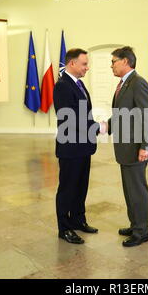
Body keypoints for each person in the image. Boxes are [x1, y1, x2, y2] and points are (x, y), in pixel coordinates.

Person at [103, 46, 148, 247]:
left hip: (136, 148)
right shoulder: (124, 84)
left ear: (125, 61)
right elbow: (121, 115)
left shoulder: (138, 83)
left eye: (113, 61)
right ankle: (136, 225)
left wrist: (146, 146)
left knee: (137, 190)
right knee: (129, 189)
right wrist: (104, 126)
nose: (111, 65)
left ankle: (142, 232)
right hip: (126, 148)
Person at [53, 48, 101, 244]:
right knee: (67, 189)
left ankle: (78, 220)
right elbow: (70, 118)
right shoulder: (63, 86)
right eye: (84, 64)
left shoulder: (78, 84)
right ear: (72, 63)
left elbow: (83, 113)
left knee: (81, 186)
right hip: (70, 147)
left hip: (83, 146)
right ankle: (64, 228)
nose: (87, 67)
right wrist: (98, 127)